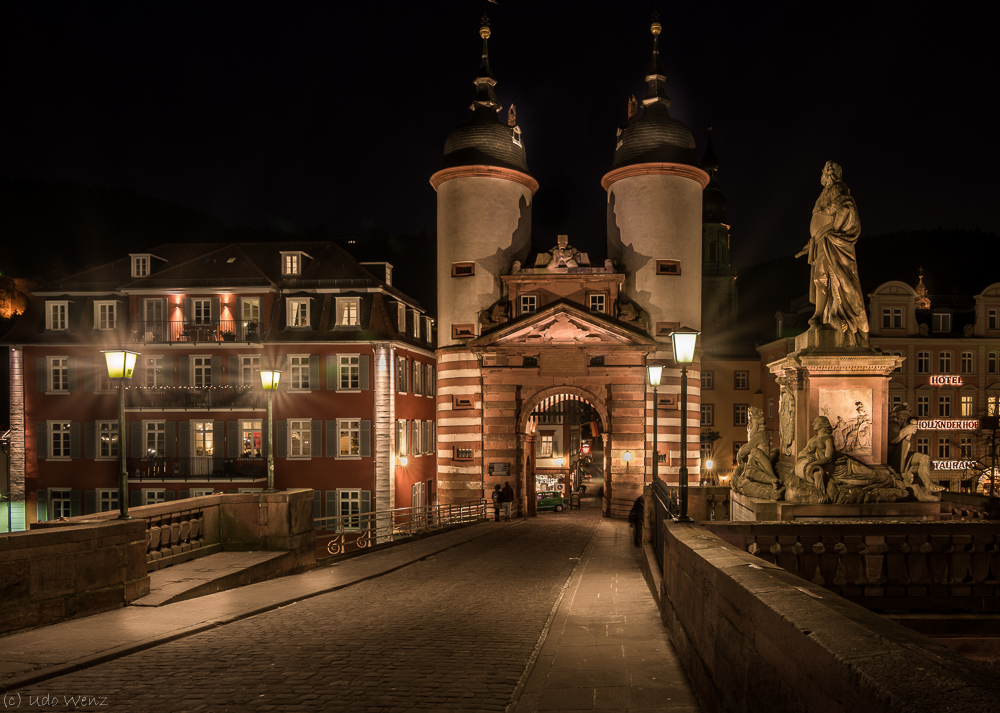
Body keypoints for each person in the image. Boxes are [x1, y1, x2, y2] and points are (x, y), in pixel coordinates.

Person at [795, 161, 869, 347]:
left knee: (833, 279)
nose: (823, 174)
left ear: (831, 174)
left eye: (825, 171)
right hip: (821, 241)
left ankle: (825, 315)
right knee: (820, 278)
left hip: (831, 241)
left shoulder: (837, 188)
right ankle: (820, 314)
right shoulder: (824, 193)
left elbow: (846, 206)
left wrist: (833, 230)